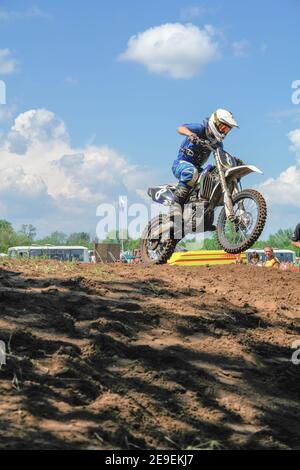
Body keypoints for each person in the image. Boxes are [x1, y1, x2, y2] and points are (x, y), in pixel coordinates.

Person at [172, 109, 239, 231]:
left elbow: (221, 157)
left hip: (198, 169)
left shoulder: (218, 143)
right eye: (223, 128)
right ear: (215, 122)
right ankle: (175, 205)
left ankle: (205, 219)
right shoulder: (200, 128)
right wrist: (190, 134)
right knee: (191, 172)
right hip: (181, 164)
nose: (224, 131)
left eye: (227, 130)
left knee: (212, 179)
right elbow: (180, 128)